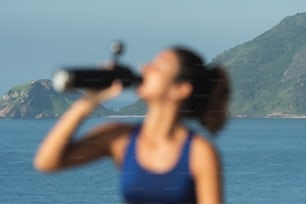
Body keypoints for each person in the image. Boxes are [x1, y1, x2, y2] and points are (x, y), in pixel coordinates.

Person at [34, 46, 230, 204]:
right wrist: (88, 101)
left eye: (159, 65)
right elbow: (47, 161)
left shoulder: (199, 153)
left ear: (180, 89)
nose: (145, 67)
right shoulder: (120, 138)